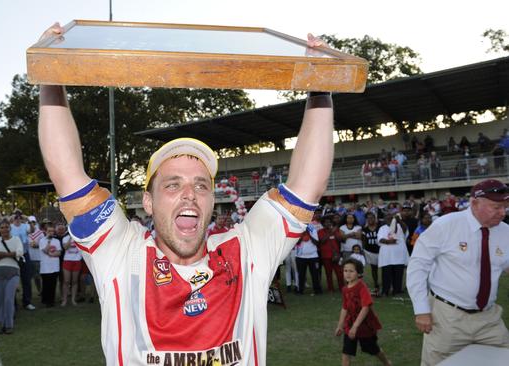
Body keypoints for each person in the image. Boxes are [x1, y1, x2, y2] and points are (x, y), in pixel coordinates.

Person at [37, 23, 335, 364]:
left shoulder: (246, 250)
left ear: (211, 201)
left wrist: (321, 88)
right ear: (147, 202)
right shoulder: (121, 252)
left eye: (200, 185)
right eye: (173, 184)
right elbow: (67, 174)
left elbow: (306, 186)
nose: (189, 194)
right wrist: (50, 72)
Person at [407, 179, 509, 365]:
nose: (503, 212)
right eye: (496, 207)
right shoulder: (446, 225)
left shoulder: (506, 232)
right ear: (474, 203)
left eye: (505, 206)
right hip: (448, 318)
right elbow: (417, 267)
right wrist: (422, 310)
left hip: (489, 319)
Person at [335, 259, 391, 366]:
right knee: (346, 353)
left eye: (351, 271)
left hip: (364, 325)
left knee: (373, 349)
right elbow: (345, 308)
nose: (347, 273)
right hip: (349, 324)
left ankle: (387, 363)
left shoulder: (362, 287)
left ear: (359, 272)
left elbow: (365, 307)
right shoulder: (345, 289)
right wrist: (340, 325)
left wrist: (355, 326)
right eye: (345, 270)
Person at [0, 220, 23, 335]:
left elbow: (19, 252)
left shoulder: (16, 239)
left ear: (10, 228)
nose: (4, 229)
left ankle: (9, 325)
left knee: (8, 299)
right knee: (0, 300)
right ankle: (2, 324)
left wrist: (3, 255)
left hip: (12, 271)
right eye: (2, 227)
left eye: (6, 227)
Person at [377, 213, 409, 297]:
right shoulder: (382, 228)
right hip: (387, 256)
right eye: (387, 217)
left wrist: (399, 221)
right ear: (384, 219)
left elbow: (405, 230)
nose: (389, 219)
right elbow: (380, 239)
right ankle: (385, 291)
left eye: (391, 218)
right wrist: (388, 241)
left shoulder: (400, 226)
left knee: (398, 274)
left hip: (399, 255)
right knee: (386, 275)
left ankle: (397, 291)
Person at [10, 212, 34, 310]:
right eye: (16, 216)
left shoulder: (25, 226)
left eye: (19, 216)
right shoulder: (10, 227)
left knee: (26, 279)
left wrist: (28, 219)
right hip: (13, 255)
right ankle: (13, 302)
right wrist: (9, 219)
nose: (17, 218)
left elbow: (32, 230)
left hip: (24, 254)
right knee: (12, 279)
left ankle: (27, 302)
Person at [318, 216, 344, 293]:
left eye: (329, 222)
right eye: (326, 222)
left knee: (339, 273)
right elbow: (322, 241)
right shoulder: (320, 231)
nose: (328, 224)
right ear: (323, 224)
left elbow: (340, 240)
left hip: (336, 255)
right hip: (326, 256)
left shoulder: (336, 230)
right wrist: (330, 232)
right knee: (328, 273)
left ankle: (341, 287)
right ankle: (330, 288)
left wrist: (335, 232)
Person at [294, 226, 321, 295]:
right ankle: (300, 290)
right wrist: (302, 235)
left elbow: (317, 243)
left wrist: (309, 235)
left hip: (313, 256)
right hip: (300, 256)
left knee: (315, 274)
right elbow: (296, 243)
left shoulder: (313, 230)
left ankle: (317, 290)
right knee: (301, 275)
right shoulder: (297, 229)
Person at [39, 223, 61, 307]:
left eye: (52, 231)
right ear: (45, 231)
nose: (51, 233)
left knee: (53, 284)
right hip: (45, 267)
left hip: (54, 266)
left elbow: (59, 252)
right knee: (46, 284)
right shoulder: (42, 240)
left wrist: (51, 255)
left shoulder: (57, 241)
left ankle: (51, 301)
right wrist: (48, 242)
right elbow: (44, 251)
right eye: (49, 231)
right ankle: (45, 300)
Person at [61, 228, 82, 306]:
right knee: (66, 281)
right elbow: (65, 247)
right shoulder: (65, 238)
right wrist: (71, 238)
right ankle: (64, 300)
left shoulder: (80, 237)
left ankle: (73, 299)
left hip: (77, 260)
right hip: (67, 260)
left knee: (75, 281)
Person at [362, 212, 381, 295]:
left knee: (384, 268)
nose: (370, 219)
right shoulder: (364, 229)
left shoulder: (380, 228)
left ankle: (385, 282)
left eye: (372, 218)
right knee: (374, 268)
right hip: (370, 251)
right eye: (368, 218)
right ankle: (376, 283)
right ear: (366, 220)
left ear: (375, 218)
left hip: (380, 251)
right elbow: (363, 240)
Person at [27, 216, 44, 296]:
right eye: (29, 222)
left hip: (39, 257)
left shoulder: (40, 233)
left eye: (33, 222)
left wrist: (38, 245)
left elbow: (43, 243)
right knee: (34, 277)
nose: (31, 224)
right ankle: (39, 290)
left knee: (39, 275)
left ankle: (42, 290)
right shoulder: (26, 232)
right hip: (29, 257)